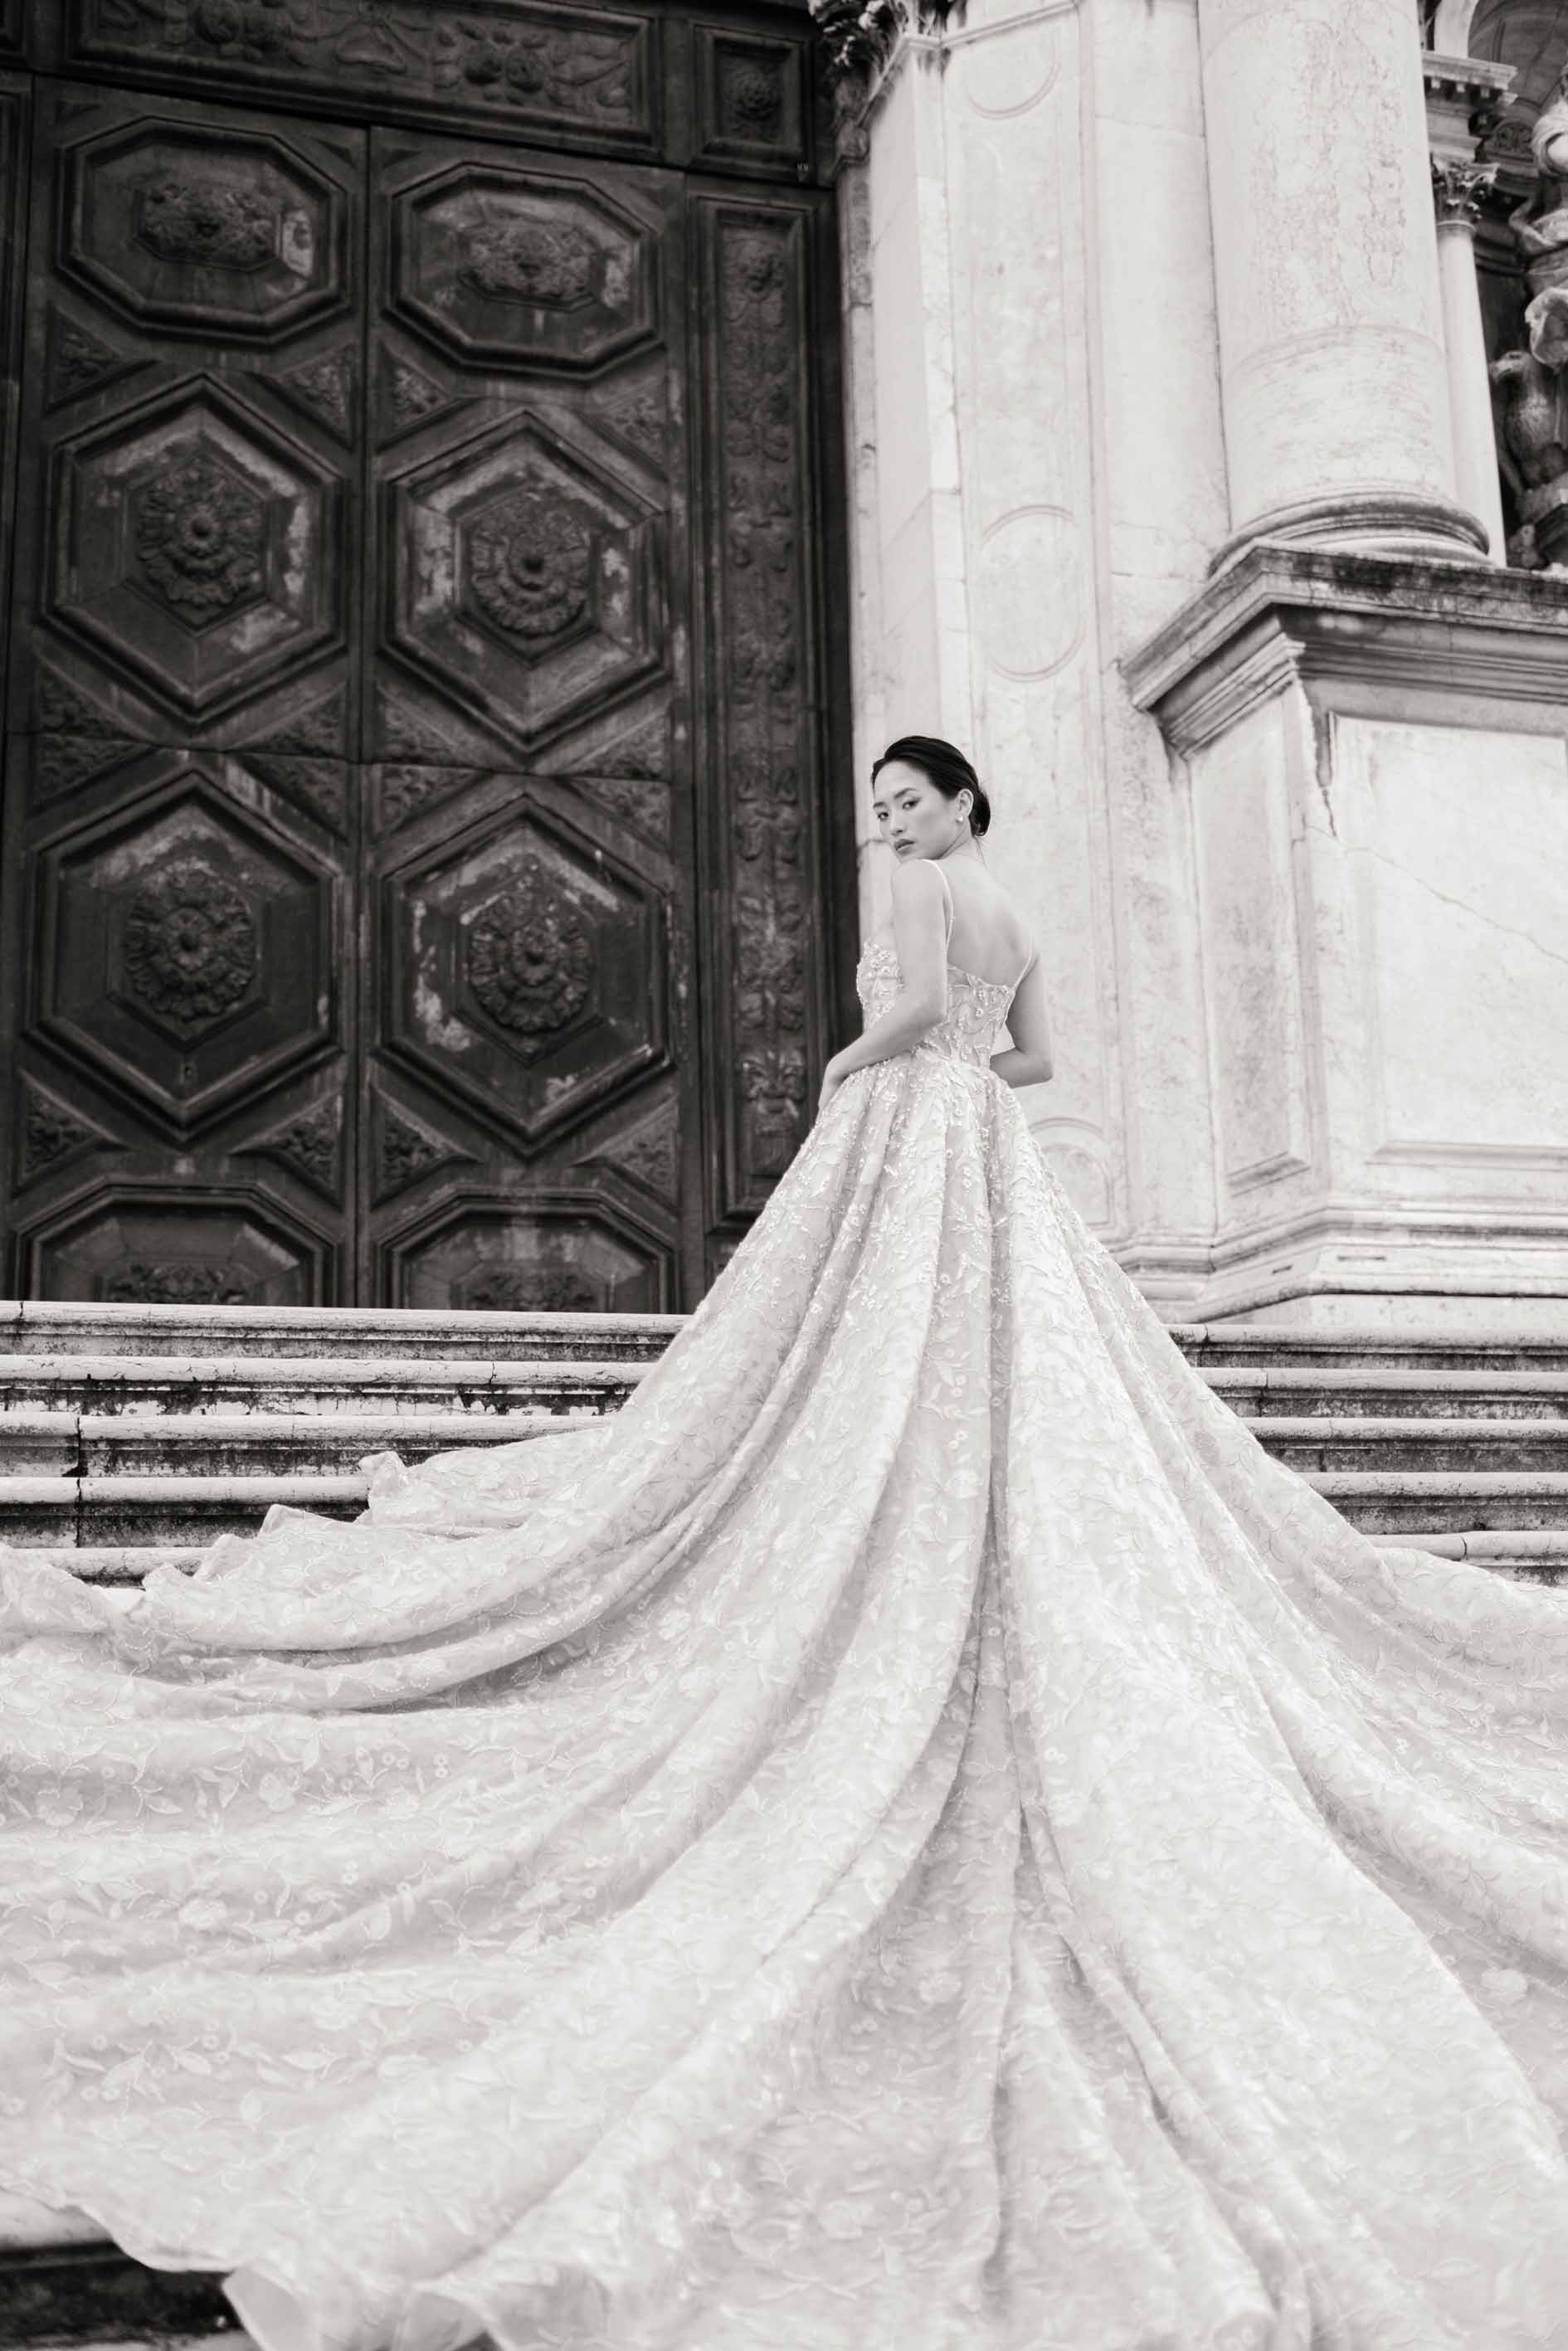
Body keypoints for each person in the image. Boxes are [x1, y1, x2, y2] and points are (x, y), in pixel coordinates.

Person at [2, 734, 1568, 2351]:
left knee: (862, 1346)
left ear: (961, 803)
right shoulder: (1015, 902)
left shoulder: (923, 891)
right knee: (979, 1351)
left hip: (909, 1128)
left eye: (906, 799)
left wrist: (856, 1066)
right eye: (880, 806)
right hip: (986, 1142)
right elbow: (1032, 1056)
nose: (885, 821)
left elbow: (907, 1018)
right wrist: (953, 1062)